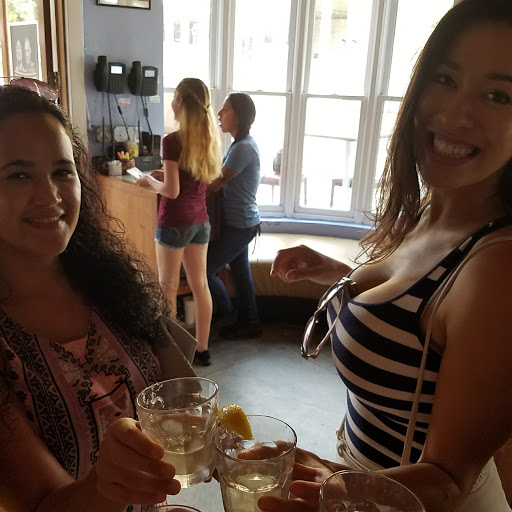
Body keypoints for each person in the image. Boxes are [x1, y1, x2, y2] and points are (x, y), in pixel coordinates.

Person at [263, 1, 512, 511]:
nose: (454, 114)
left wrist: (331, 490)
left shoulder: (498, 268)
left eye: (497, 95)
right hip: (369, 484)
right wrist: (342, 276)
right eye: (445, 79)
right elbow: (422, 315)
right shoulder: (434, 209)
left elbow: (447, 480)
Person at [0, 84, 196, 512]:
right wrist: (106, 486)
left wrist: (248, 452)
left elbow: (189, 397)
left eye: (62, 171)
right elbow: (43, 505)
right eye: (18, 175)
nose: (50, 195)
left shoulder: (112, 282)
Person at [137, 77, 221, 366]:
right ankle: (203, 350)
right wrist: (166, 175)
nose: (172, 104)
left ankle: (172, 353)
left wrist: (149, 182)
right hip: (200, 221)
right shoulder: (209, 138)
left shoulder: (172, 141)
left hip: (174, 222)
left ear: (181, 102)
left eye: (174, 98)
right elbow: (195, 178)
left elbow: (172, 192)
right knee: (201, 285)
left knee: (167, 289)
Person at [207, 92, 262, 340]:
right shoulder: (238, 145)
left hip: (241, 225)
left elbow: (215, 184)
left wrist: (177, 183)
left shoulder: (243, 148)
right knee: (241, 273)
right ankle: (250, 323)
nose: (219, 114)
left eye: (225, 109)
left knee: (205, 270)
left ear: (237, 117)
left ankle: (228, 314)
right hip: (240, 224)